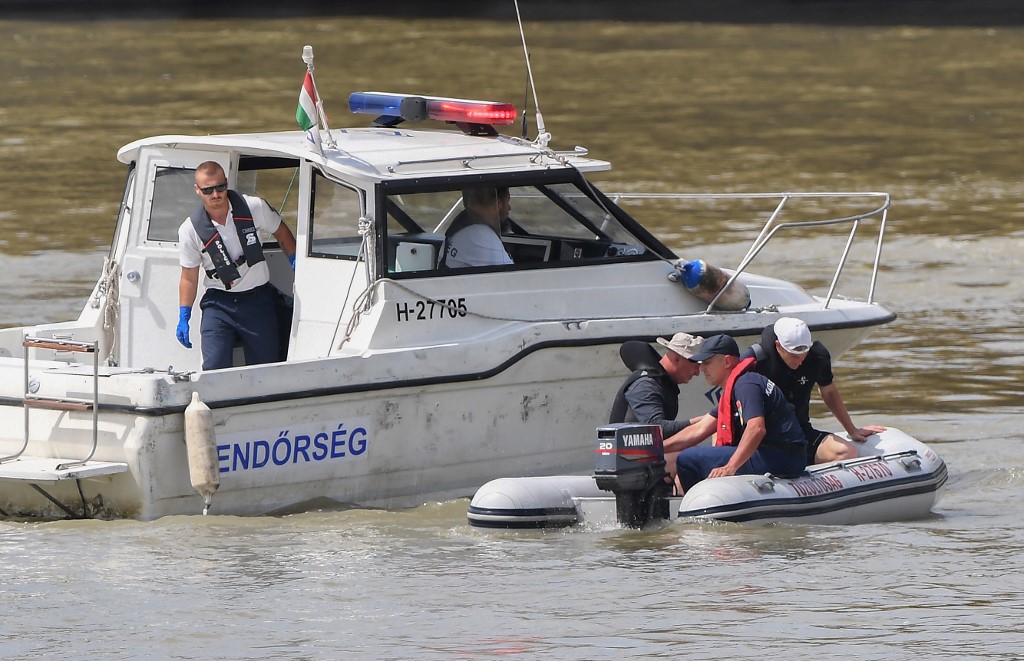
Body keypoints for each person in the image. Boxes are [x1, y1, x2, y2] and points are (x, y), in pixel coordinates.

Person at [176, 161, 297, 370]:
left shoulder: (254, 207)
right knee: (214, 368)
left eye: (220, 187)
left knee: (264, 368)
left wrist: (296, 263)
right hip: (219, 304)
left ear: (226, 183)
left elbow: (282, 232)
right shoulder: (189, 230)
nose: (215, 195)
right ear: (198, 190)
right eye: (208, 190)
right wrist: (184, 315)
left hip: (258, 301)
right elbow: (189, 277)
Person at [664, 334, 807, 493]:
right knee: (690, 455)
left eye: (706, 363)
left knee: (687, 459)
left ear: (726, 361)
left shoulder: (746, 384)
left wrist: (730, 467)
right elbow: (699, 429)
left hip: (781, 457)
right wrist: (659, 449)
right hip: (782, 455)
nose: (701, 369)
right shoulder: (738, 386)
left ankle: (691, 505)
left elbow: (756, 428)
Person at [744, 317, 886, 465]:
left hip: (800, 431)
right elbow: (726, 402)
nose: (800, 361)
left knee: (847, 452)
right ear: (779, 346)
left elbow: (829, 391)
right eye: (794, 356)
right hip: (761, 438)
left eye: (804, 355)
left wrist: (852, 430)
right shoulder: (754, 360)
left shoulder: (817, 356)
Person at [608, 332, 704, 485]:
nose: (698, 372)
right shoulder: (646, 384)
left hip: (640, 457)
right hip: (626, 462)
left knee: (696, 449)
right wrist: (700, 422)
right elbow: (656, 427)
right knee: (694, 456)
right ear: (677, 358)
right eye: (695, 365)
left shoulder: (661, 383)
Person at [438, 186, 513, 268]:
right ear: (498, 204)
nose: (509, 207)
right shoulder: (479, 235)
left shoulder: (465, 224)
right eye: (507, 201)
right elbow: (512, 277)